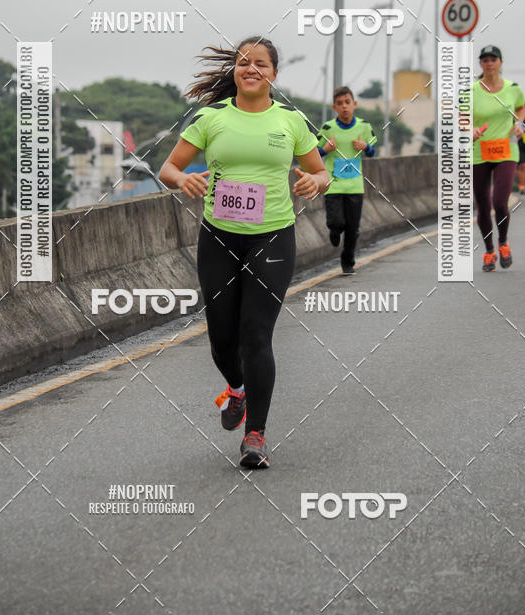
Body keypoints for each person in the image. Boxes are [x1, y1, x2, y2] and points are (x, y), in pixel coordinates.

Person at [159, 37, 330, 469]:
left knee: (256, 334)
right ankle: (235, 388)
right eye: (242, 63)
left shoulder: (290, 121)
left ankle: (256, 434)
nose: (250, 69)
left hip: (272, 237)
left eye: (260, 64)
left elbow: (320, 171)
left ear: (273, 73)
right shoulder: (211, 117)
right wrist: (182, 180)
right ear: (235, 71)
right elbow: (168, 167)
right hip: (219, 236)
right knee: (221, 340)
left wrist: (316, 182)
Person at [470, 45, 525, 272]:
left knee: (499, 202)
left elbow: (521, 109)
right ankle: (489, 251)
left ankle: (503, 242)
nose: (489, 63)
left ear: (500, 62)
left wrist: (519, 123)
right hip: (479, 151)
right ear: (481, 64)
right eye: (485, 59)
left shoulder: (513, 89)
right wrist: (470, 129)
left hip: (506, 150)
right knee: (482, 205)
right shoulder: (471, 91)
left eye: (493, 59)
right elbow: (462, 117)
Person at [316, 86, 376, 274]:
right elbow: (313, 153)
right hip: (333, 185)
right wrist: (325, 149)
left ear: (354, 104)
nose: (344, 107)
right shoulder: (328, 128)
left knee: (353, 229)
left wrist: (365, 146)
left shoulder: (364, 127)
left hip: (355, 186)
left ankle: (347, 261)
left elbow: (373, 152)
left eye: (347, 103)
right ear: (335, 107)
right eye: (340, 104)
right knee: (337, 222)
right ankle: (334, 230)